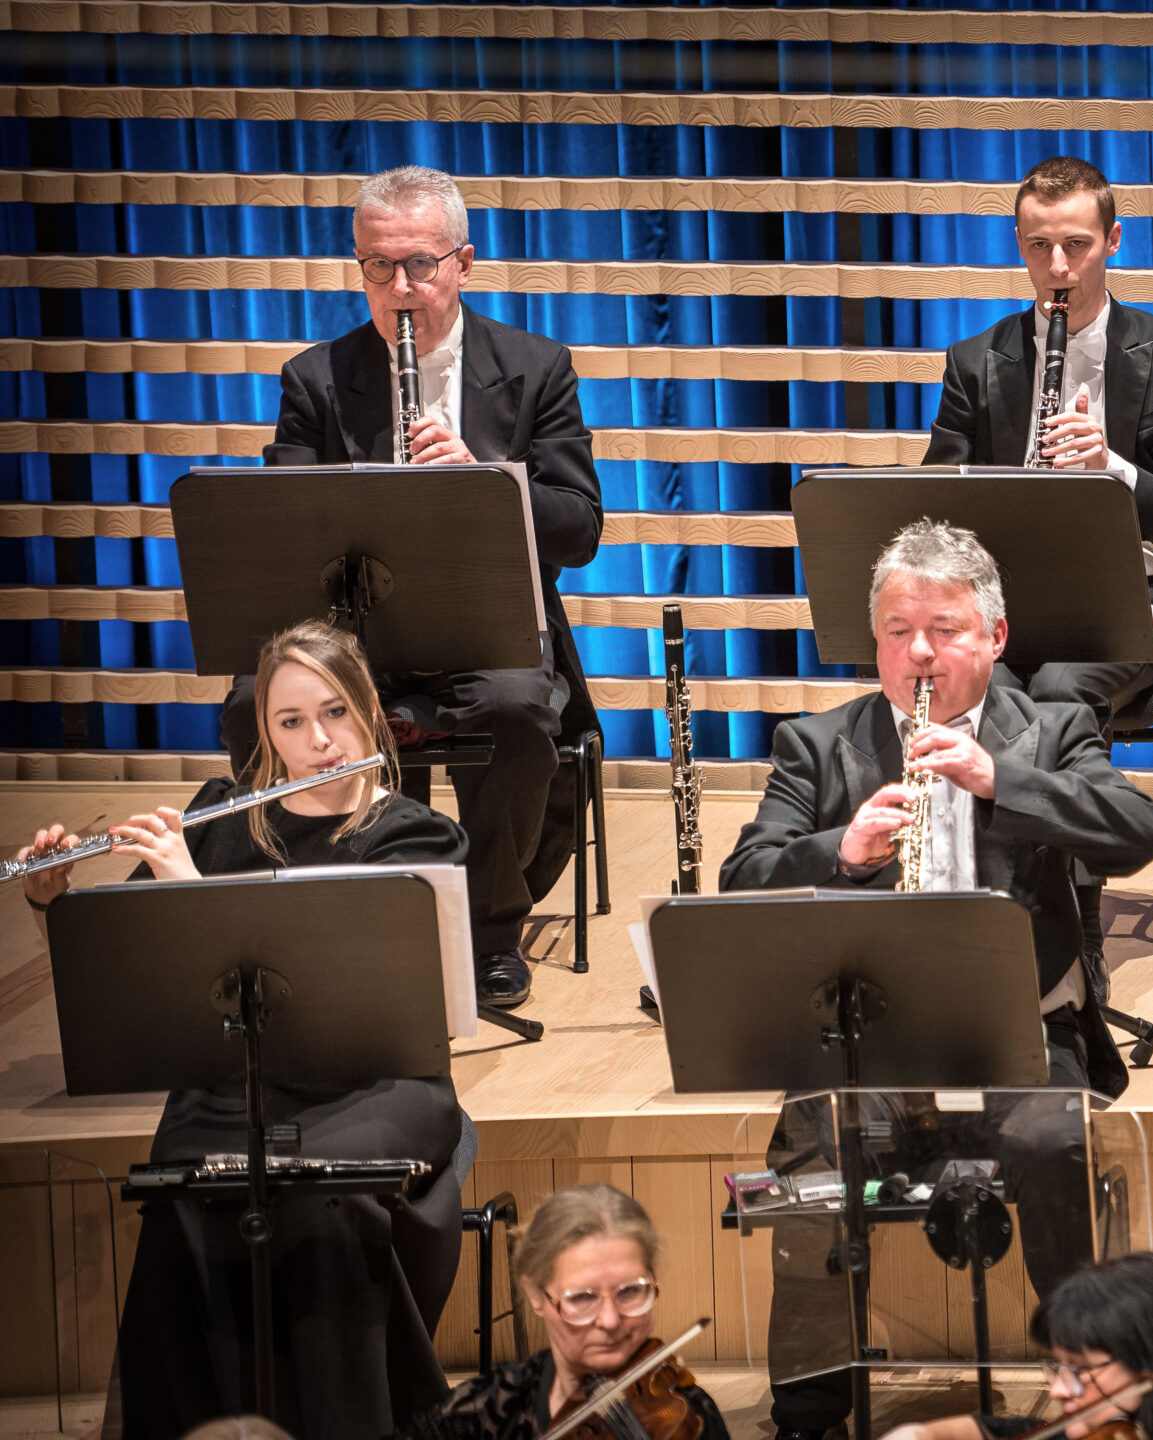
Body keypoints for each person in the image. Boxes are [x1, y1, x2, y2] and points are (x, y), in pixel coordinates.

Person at [720, 520, 1153, 1440]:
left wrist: (998, 777)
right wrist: (839, 851)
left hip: (1023, 1034)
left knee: (1052, 1146)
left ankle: (1088, 1391)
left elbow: (1139, 829)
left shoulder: (1052, 730)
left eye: (945, 629)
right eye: (896, 630)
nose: (918, 652)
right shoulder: (819, 743)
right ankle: (810, 1412)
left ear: (994, 637)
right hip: (871, 1041)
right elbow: (741, 878)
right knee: (810, 1151)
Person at [13, 622, 472, 1438]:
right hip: (233, 1081)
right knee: (184, 1195)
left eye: (335, 712)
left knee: (315, 1199)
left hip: (374, 1084)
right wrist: (55, 902)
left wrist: (192, 892)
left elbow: (364, 1002)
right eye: (290, 723)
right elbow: (125, 970)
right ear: (265, 732)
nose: (319, 741)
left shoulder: (414, 834)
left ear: (370, 709)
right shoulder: (219, 817)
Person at [239, 162, 606, 1012]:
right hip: (353, 634)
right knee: (246, 701)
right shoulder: (317, 379)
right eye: (378, 267)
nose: (399, 289)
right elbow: (278, 523)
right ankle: (328, 903)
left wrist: (489, 478)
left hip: (488, 627)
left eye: (420, 266)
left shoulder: (537, 368)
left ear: (463, 264)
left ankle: (486, 933)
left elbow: (580, 528)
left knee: (516, 708)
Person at [920, 154, 1153, 965]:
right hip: (1004, 610)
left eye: (1078, 246)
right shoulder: (976, 362)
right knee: (979, 687)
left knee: (1052, 694)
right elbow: (929, 511)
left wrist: (1115, 471)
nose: (1058, 267)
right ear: (1019, 244)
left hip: (1125, 607)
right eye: (1039, 246)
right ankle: (983, 910)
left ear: (1114, 240)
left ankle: (1067, 928)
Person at [400, 1183, 728, 1439]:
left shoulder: (690, 1414)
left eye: (630, 1291)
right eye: (582, 1298)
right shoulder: (481, 1413)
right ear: (535, 1294)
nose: (610, 1321)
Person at [881, 1252, 1153, 1440]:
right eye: (1058, 1367)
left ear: (1151, 1368)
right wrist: (917, 1433)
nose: (1057, 1390)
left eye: (1081, 1370)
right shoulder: (1104, 1428)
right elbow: (985, 1430)